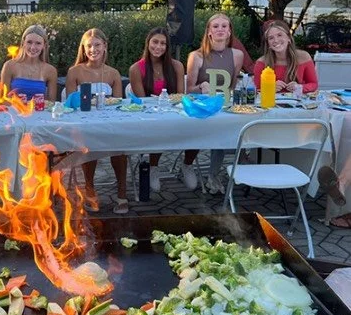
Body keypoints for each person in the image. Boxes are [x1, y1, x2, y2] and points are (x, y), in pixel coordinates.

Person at [65, 28, 128, 214]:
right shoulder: (74, 71)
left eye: (97, 45)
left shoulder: (113, 73)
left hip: (108, 122)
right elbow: (70, 103)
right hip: (83, 123)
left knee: (120, 145)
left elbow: (118, 104)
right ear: (84, 49)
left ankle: (122, 193)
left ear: (105, 46)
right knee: (87, 143)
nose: (93, 49)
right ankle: (90, 189)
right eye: (89, 46)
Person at [186, 13, 244, 193]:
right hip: (202, 108)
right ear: (209, 32)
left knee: (241, 128)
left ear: (229, 32)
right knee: (219, 131)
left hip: (225, 106)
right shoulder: (196, 56)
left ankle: (232, 172)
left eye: (224, 26)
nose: (220, 29)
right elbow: (189, 90)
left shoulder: (237, 55)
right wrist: (202, 86)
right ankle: (201, 170)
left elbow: (233, 85)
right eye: (216, 26)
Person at [128, 27, 186, 192]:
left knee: (198, 123)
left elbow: (180, 96)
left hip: (174, 114)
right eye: (155, 42)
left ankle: (187, 164)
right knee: (159, 127)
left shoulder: (177, 67)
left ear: (167, 47)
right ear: (148, 43)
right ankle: (153, 167)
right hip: (148, 117)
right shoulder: (136, 69)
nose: (158, 47)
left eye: (163, 43)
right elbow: (142, 102)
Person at [253, 20, 318, 93]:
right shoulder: (261, 62)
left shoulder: (304, 57)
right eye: (271, 38)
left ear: (289, 38)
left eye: (279, 35)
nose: (276, 40)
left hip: (298, 101)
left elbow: (314, 84)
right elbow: (256, 90)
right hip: (271, 102)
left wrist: (300, 87)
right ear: (268, 44)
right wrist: (270, 88)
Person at [0, 25, 58, 101]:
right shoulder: (9, 66)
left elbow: (51, 103)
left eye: (38, 43)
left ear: (44, 46)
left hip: (40, 112)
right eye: (29, 42)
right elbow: (3, 99)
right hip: (13, 111)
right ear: (23, 43)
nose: (33, 47)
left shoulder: (50, 70)